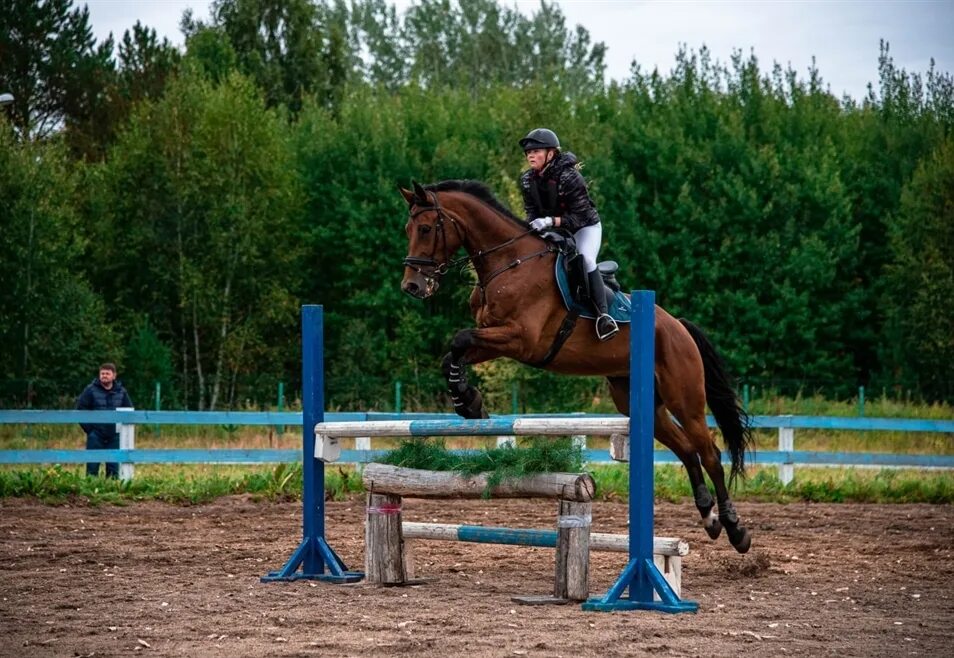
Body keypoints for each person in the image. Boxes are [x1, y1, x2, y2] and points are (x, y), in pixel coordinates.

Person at [519, 127, 619, 341]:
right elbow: (531, 212)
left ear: (551, 154)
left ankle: (604, 317)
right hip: (555, 230)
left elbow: (581, 216)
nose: (530, 155)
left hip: (585, 228)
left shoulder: (570, 177)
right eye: (528, 152)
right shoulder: (527, 180)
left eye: (536, 151)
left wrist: (551, 221)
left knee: (586, 260)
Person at [76, 363, 133, 478]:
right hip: (96, 434)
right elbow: (80, 409)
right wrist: (90, 430)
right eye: (102, 373)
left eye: (107, 373)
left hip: (114, 435)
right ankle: (90, 490)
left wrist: (120, 430)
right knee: (92, 466)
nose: (104, 376)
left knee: (113, 468)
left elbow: (129, 412)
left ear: (114, 376)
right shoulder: (90, 390)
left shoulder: (121, 392)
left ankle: (110, 491)